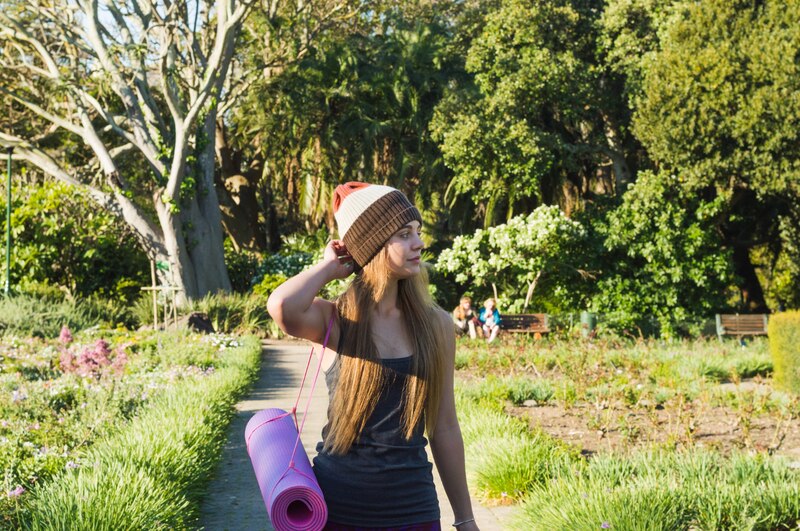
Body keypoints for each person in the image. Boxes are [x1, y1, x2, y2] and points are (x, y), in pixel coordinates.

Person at [267, 182, 479, 531]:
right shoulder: (335, 320)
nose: (419, 243)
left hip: (415, 509)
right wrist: (330, 267)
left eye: (418, 232)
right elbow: (282, 307)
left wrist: (466, 519)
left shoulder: (436, 324)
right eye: (404, 234)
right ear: (373, 245)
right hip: (337, 510)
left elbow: (444, 426)